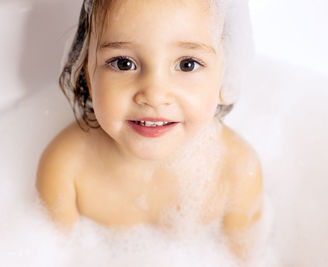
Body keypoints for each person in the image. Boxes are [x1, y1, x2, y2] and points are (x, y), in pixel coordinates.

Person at [36, 0, 263, 260]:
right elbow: (51, 257)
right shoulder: (66, 168)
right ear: (87, 72)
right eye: (123, 63)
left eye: (187, 64)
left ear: (224, 76)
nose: (154, 95)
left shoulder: (237, 171)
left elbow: (244, 258)